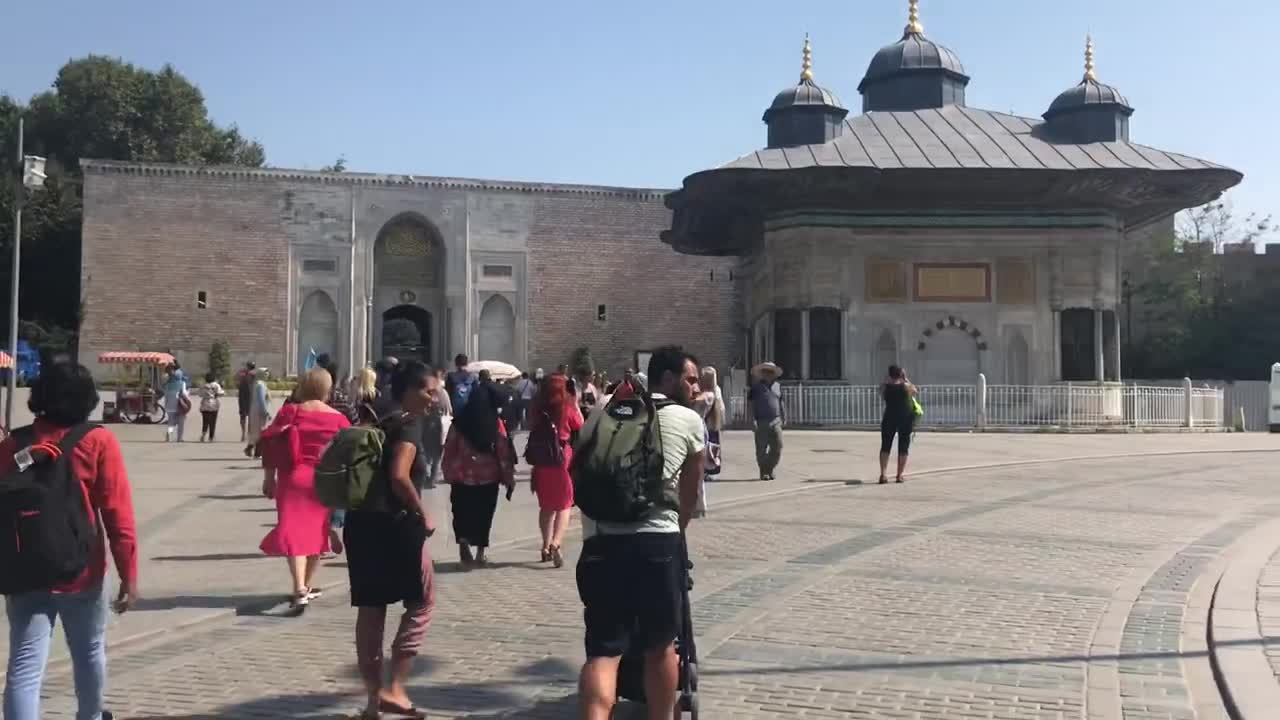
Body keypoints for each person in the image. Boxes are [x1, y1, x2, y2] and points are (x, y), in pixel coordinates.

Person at [2, 362, 139, 720]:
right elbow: (117, 514)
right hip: (82, 570)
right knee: (89, 651)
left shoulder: (13, 443)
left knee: (25, 665)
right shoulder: (98, 441)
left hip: (25, 568)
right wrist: (129, 574)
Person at [576, 346, 705, 720]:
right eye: (690, 379)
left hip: (600, 539)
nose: (695, 388)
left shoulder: (604, 410)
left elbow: (580, 466)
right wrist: (675, 531)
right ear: (667, 378)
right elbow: (690, 495)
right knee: (660, 646)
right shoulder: (687, 419)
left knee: (603, 651)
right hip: (655, 543)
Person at [343, 361, 438, 720]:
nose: (434, 398)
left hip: (361, 525)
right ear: (410, 390)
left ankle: (372, 701)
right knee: (423, 601)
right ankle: (395, 687)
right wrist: (421, 511)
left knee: (371, 611)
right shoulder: (410, 426)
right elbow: (400, 476)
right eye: (429, 391)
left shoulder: (379, 417)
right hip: (396, 527)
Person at [259, 368, 351, 611]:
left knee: (294, 531)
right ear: (327, 389)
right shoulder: (338, 418)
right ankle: (304, 586)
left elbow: (271, 445)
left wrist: (269, 478)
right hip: (324, 481)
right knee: (317, 533)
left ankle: (300, 587)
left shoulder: (291, 411)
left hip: (292, 478)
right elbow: (348, 452)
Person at [441, 380, 515, 567]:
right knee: (484, 515)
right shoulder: (495, 423)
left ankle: (464, 543)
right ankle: (481, 553)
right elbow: (503, 452)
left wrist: (447, 471)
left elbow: (449, 447)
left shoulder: (459, 422)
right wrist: (508, 478)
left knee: (461, 513)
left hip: (461, 476)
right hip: (488, 477)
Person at [527, 373, 584, 567]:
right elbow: (580, 425)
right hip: (562, 459)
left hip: (541, 460)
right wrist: (575, 402)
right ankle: (556, 543)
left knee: (546, 506)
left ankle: (544, 546)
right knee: (564, 505)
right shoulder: (566, 405)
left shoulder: (537, 406)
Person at [694, 367, 725, 517]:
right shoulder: (706, 393)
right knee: (698, 473)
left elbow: (694, 401)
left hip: (700, 432)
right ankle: (699, 505)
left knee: (697, 472)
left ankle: (700, 506)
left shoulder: (709, 394)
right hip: (700, 430)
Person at [879, 365, 919, 484]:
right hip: (905, 418)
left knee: (885, 446)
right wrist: (906, 379)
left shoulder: (885, 387)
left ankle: (883, 474)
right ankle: (899, 475)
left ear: (889, 374)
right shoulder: (905, 386)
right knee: (903, 446)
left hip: (889, 417)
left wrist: (886, 379)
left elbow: (880, 391)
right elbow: (915, 391)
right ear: (901, 374)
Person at [748, 367, 784, 481]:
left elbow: (781, 401)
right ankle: (764, 471)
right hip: (761, 421)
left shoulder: (777, 386)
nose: (768, 375)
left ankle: (770, 468)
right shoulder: (756, 388)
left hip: (776, 420)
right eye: (766, 372)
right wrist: (752, 419)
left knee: (777, 446)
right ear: (762, 374)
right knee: (761, 449)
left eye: (771, 373)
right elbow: (750, 404)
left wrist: (784, 416)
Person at [244, 367, 272, 458]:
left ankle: (251, 448)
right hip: (259, 410)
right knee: (261, 431)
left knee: (258, 431)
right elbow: (261, 400)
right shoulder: (260, 385)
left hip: (256, 409)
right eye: (265, 373)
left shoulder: (259, 384)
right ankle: (257, 452)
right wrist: (265, 411)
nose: (267, 375)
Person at [161, 363, 191, 442]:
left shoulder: (167, 384)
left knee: (171, 422)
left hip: (169, 404)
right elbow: (184, 394)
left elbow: (165, 393)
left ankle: (169, 434)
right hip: (179, 404)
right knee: (181, 422)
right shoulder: (182, 383)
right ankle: (179, 438)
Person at [198, 372, 225, 442]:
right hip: (214, 404)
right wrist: (217, 394)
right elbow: (221, 393)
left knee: (205, 420)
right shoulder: (216, 385)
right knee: (213, 421)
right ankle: (211, 437)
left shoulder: (203, 385)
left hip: (205, 404)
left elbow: (199, 394)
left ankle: (203, 434)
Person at [238, 362, 256, 442]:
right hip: (250, 396)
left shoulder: (243, 373)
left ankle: (244, 433)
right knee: (249, 416)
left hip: (244, 396)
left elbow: (238, 379)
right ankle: (247, 433)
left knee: (243, 416)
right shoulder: (253, 374)